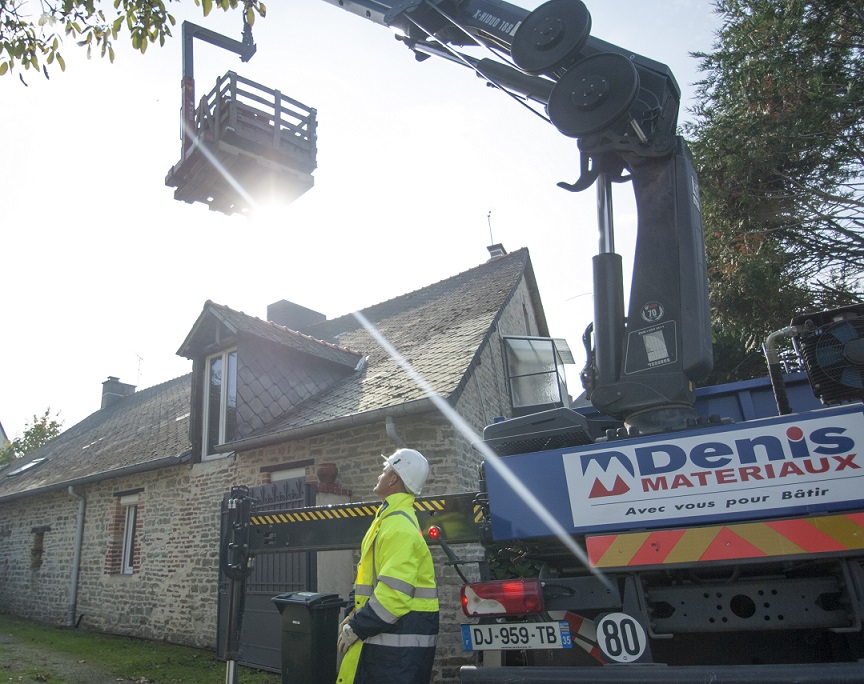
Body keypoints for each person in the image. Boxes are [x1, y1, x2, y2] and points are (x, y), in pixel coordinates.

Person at [336, 448, 439, 684]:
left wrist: (356, 627)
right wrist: (353, 610)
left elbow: (393, 596)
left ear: (394, 479)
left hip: (395, 657)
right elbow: (368, 579)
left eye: (385, 470)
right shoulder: (389, 521)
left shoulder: (398, 527)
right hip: (390, 653)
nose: (379, 475)